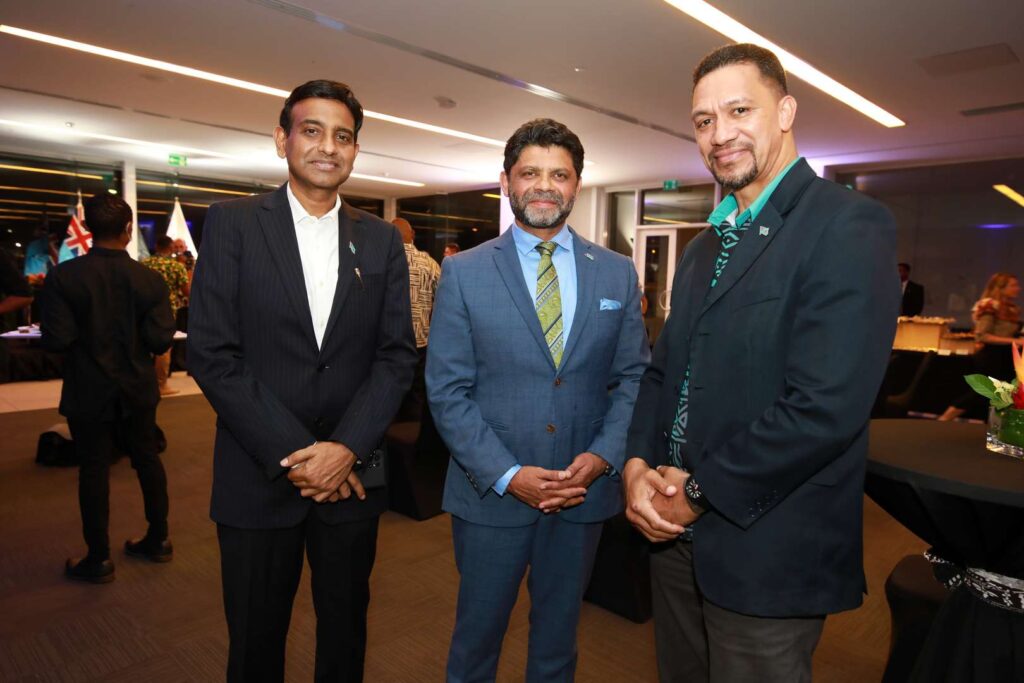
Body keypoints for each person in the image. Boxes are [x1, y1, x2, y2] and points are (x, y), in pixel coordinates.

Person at [623, 44, 899, 683]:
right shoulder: (705, 246)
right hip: (672, 533)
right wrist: (635, 466)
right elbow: (664, 373)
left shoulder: (847, 224)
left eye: (739, 110)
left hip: (767, 542)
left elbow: (824, 408)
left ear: (786, 112)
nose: (719, 134)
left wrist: (697, 495)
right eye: (703, 120)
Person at [188, 79, 417, 683]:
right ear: (281, 139)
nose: (327, 147)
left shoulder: (380, 240)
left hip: (353, 476)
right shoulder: (233, 223)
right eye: (312, 131)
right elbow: (212, 354)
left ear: (356, 149)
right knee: (255, 642)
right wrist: (300, 455)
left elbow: (395, 357)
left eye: (343, 136)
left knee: (345, 634)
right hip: (257, 472)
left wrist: (345, 449)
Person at [427, 118, 650, 682]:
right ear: (506, 181)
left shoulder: (616, 274)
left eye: (559, 174)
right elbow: (447, 390)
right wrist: (507, 474)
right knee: (476, 643)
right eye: (530, 173)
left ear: (577, 184)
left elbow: (632, 378)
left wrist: (602, 456)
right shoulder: (463, 271)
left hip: (581, 494)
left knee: (558, 642)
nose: (545, 186)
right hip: (490, 497)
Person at [40, 194, 176, 583]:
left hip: (88, 388)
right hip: (137, 387)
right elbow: (160, 339)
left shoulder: (63, 278)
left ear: (86, 229)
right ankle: (159, 540)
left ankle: (98, 558)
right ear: (129, 229)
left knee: (94, 469)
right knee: (147, 460)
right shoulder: (149, 279)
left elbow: (57, 339)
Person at [938, 272, 1021, 421]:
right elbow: (982, 335)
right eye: (1013, 285)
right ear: (1001, 288)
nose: (1018, 288)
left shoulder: (1011, 308)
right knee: (982, 390)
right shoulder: (989, 305)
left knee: (1003, 394)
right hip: (991, 355)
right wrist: (1015, 341)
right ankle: (944, 419)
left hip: (1005, 356)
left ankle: (994, 426)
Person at [392, 216, 440, 420]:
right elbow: (444, 299)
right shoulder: (429, 263)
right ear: (412, 235)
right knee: (416, 393)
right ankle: (411, 430)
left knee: (391, 391)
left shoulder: (384, 260)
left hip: (391, 340)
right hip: (421, 341)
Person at [143, 235, 190, 395]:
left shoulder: (144, 263)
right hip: (167, 311)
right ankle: (161, 385)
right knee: (163, 348)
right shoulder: (176, 266)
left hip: (144, 309)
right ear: (171, 248)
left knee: (144, 347)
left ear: (156, 246)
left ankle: (146, 383)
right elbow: (187, 291)